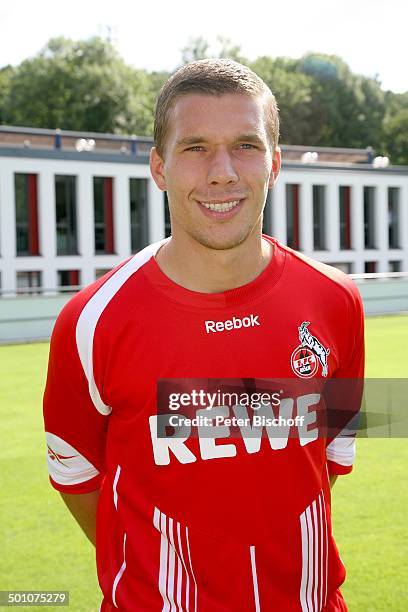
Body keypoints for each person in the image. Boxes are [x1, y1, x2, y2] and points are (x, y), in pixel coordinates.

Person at [43, 59, 364, 611]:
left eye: (246, 145)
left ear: (275, 163)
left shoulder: (337, 301)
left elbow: (328, 460)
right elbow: (75, 475)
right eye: (194, 147)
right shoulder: (89, 320)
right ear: (159, 168)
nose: (222, 172)